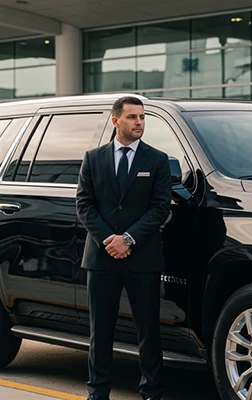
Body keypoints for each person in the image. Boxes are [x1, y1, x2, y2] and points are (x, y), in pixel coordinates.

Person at [76, 96, 172, 400]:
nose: (139, 122)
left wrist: (128, 239)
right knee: (100, 331)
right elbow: (84, 204)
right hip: (101, 258)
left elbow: (160, 208)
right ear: (116, 120)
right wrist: (110, 240)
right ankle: (97, 392)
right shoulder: (93, 158)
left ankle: (152, 393)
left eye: (142, 117)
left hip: (142, 258)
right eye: (132, 117)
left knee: (148, 331)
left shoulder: (157, 160)